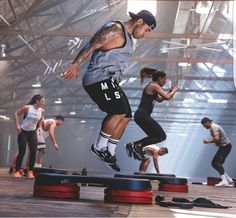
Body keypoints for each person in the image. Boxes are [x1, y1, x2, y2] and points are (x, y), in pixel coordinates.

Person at [63, 10, 156, 171]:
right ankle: (99, 147)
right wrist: (75, 65)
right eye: (147, 29)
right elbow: (92, 45)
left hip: (109, 80)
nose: (145, 34)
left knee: (127, 115)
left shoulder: (129, 37)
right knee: (118, 110)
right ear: (140, 21)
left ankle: (110, 152)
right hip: (97, 78)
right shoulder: (115, 29)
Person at [125, 67, 178, 160]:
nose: (165, 82)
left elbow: (160, 100)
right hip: (142, 115)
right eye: (165, 80)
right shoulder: (154, 86)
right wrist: (174, 90)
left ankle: (132, 145)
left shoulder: (153, 87)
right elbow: (167, 97)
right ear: (160, 78)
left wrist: (170, 91)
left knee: (155, 136)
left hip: (141, 116)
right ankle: (138, 146)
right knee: (162, 136)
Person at [13, 94, 44, 179]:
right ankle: (17, 171)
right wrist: (17, 126)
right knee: (22, 152)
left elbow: (41, 119)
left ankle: (30, 171)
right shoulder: (27, 107)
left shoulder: (41, 110)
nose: (43, 103)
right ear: (37, 101)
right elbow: (16, 113)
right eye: (42, 101)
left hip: (32, 133)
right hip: (23, 132)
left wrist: (39, 127)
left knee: (33, 152)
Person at [201, 117, 234, 187]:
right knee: (216, 164)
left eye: (204, 125)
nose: (204, 126)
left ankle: (225, 181)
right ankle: (229, 180)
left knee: (216, 163)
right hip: (224, 147)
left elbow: (217, 138)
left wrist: (208, 142)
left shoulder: (214, 127)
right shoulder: (213, 127)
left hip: (225, 147)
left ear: (207, 122)